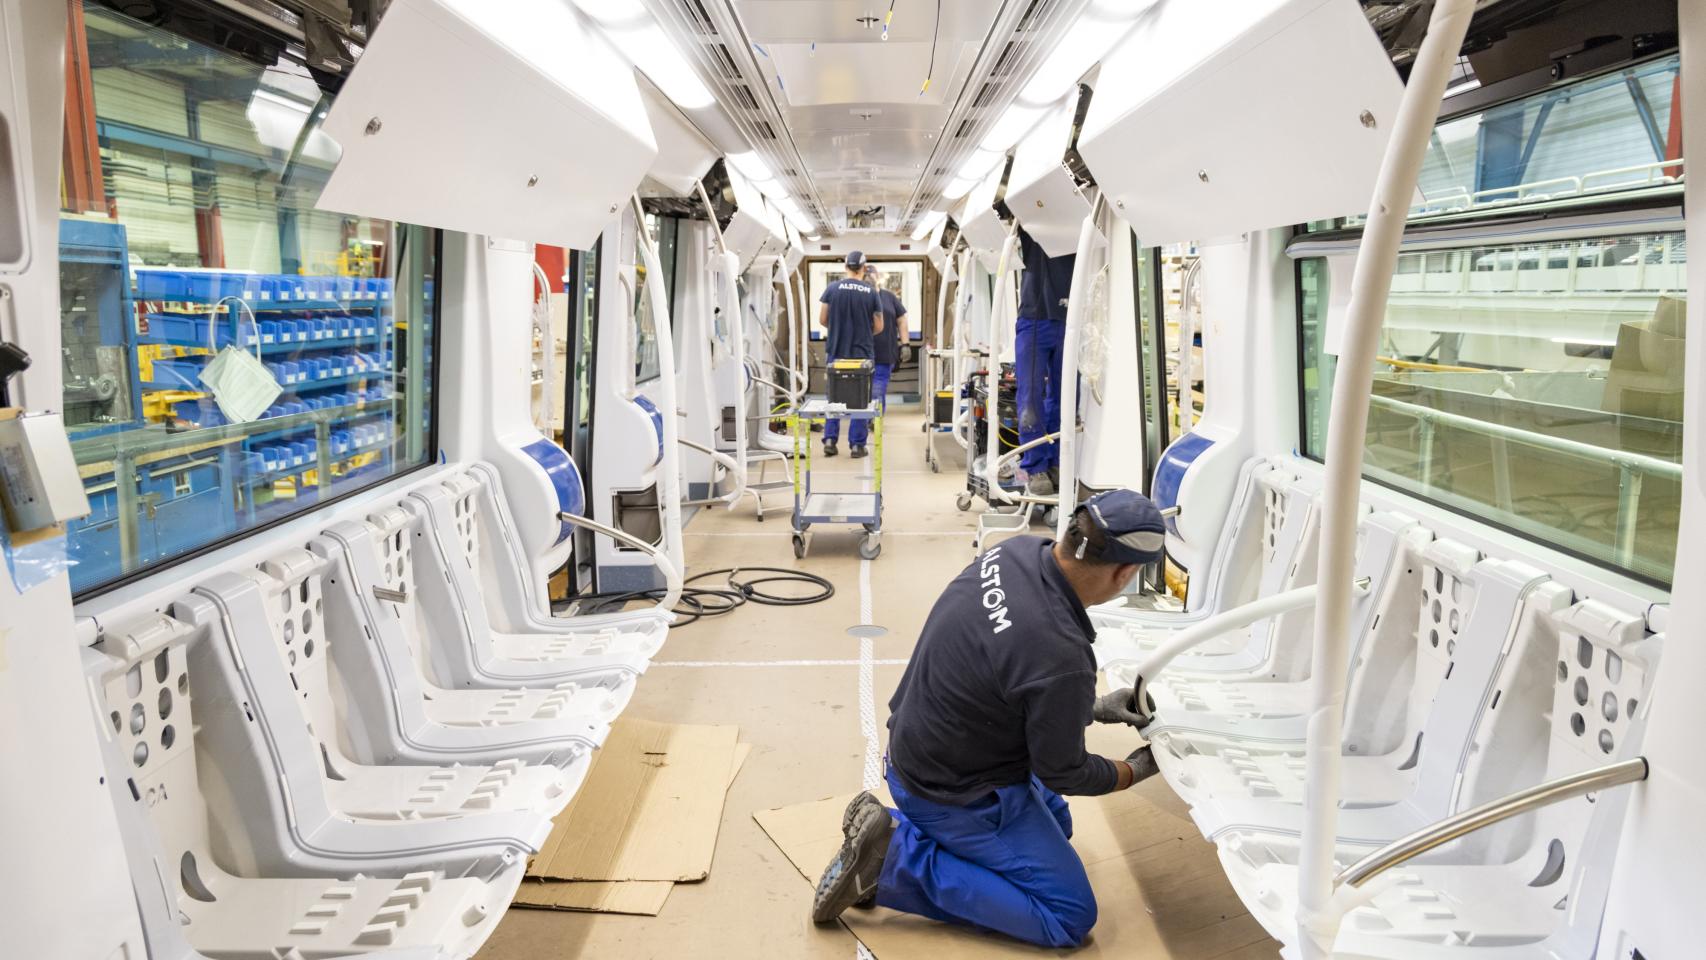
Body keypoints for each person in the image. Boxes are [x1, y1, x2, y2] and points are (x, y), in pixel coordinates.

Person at [810, 489, 1166, 947]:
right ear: (1124, 572)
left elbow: (1008, 678)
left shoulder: (1014, 552)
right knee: (1068, 915)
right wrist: (1133, 771)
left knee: (1059, 826)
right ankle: (892, 861)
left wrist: (1090, 707)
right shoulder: (1060, 653)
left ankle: (909, 841)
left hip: (915, 752)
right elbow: (1063, 771)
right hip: (951, 792)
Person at [1015, 225, 1076, 496]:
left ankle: (1056, 461)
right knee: (1030, 396)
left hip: (1070, 317)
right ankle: (1034, 465)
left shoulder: (1078, 214)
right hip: (1033, 317)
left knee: (1066, 397)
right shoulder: (1032, 214)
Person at [818, 250, 884, 458]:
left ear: (845, 267)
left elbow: (822, 319)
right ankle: (857, 445)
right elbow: (879, 326)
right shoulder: (871, 292)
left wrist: (838, 329)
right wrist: (863, 331)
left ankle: (830, 439)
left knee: (834, 396)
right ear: (864, 268)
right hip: (862, 353)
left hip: (836, 351)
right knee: (860, 399)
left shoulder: (832, 289)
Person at [863, 262, 907, 429]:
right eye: (865, 274)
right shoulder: (859, 297)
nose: (869, 277)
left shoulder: (889, 297)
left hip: (885, 352)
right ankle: (866, 419)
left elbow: (902, 320)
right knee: (862, 390)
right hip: (861, 352)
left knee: (878, 388)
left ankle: (875, 419)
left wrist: (906, 344)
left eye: (872, 274)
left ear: (878, 277)